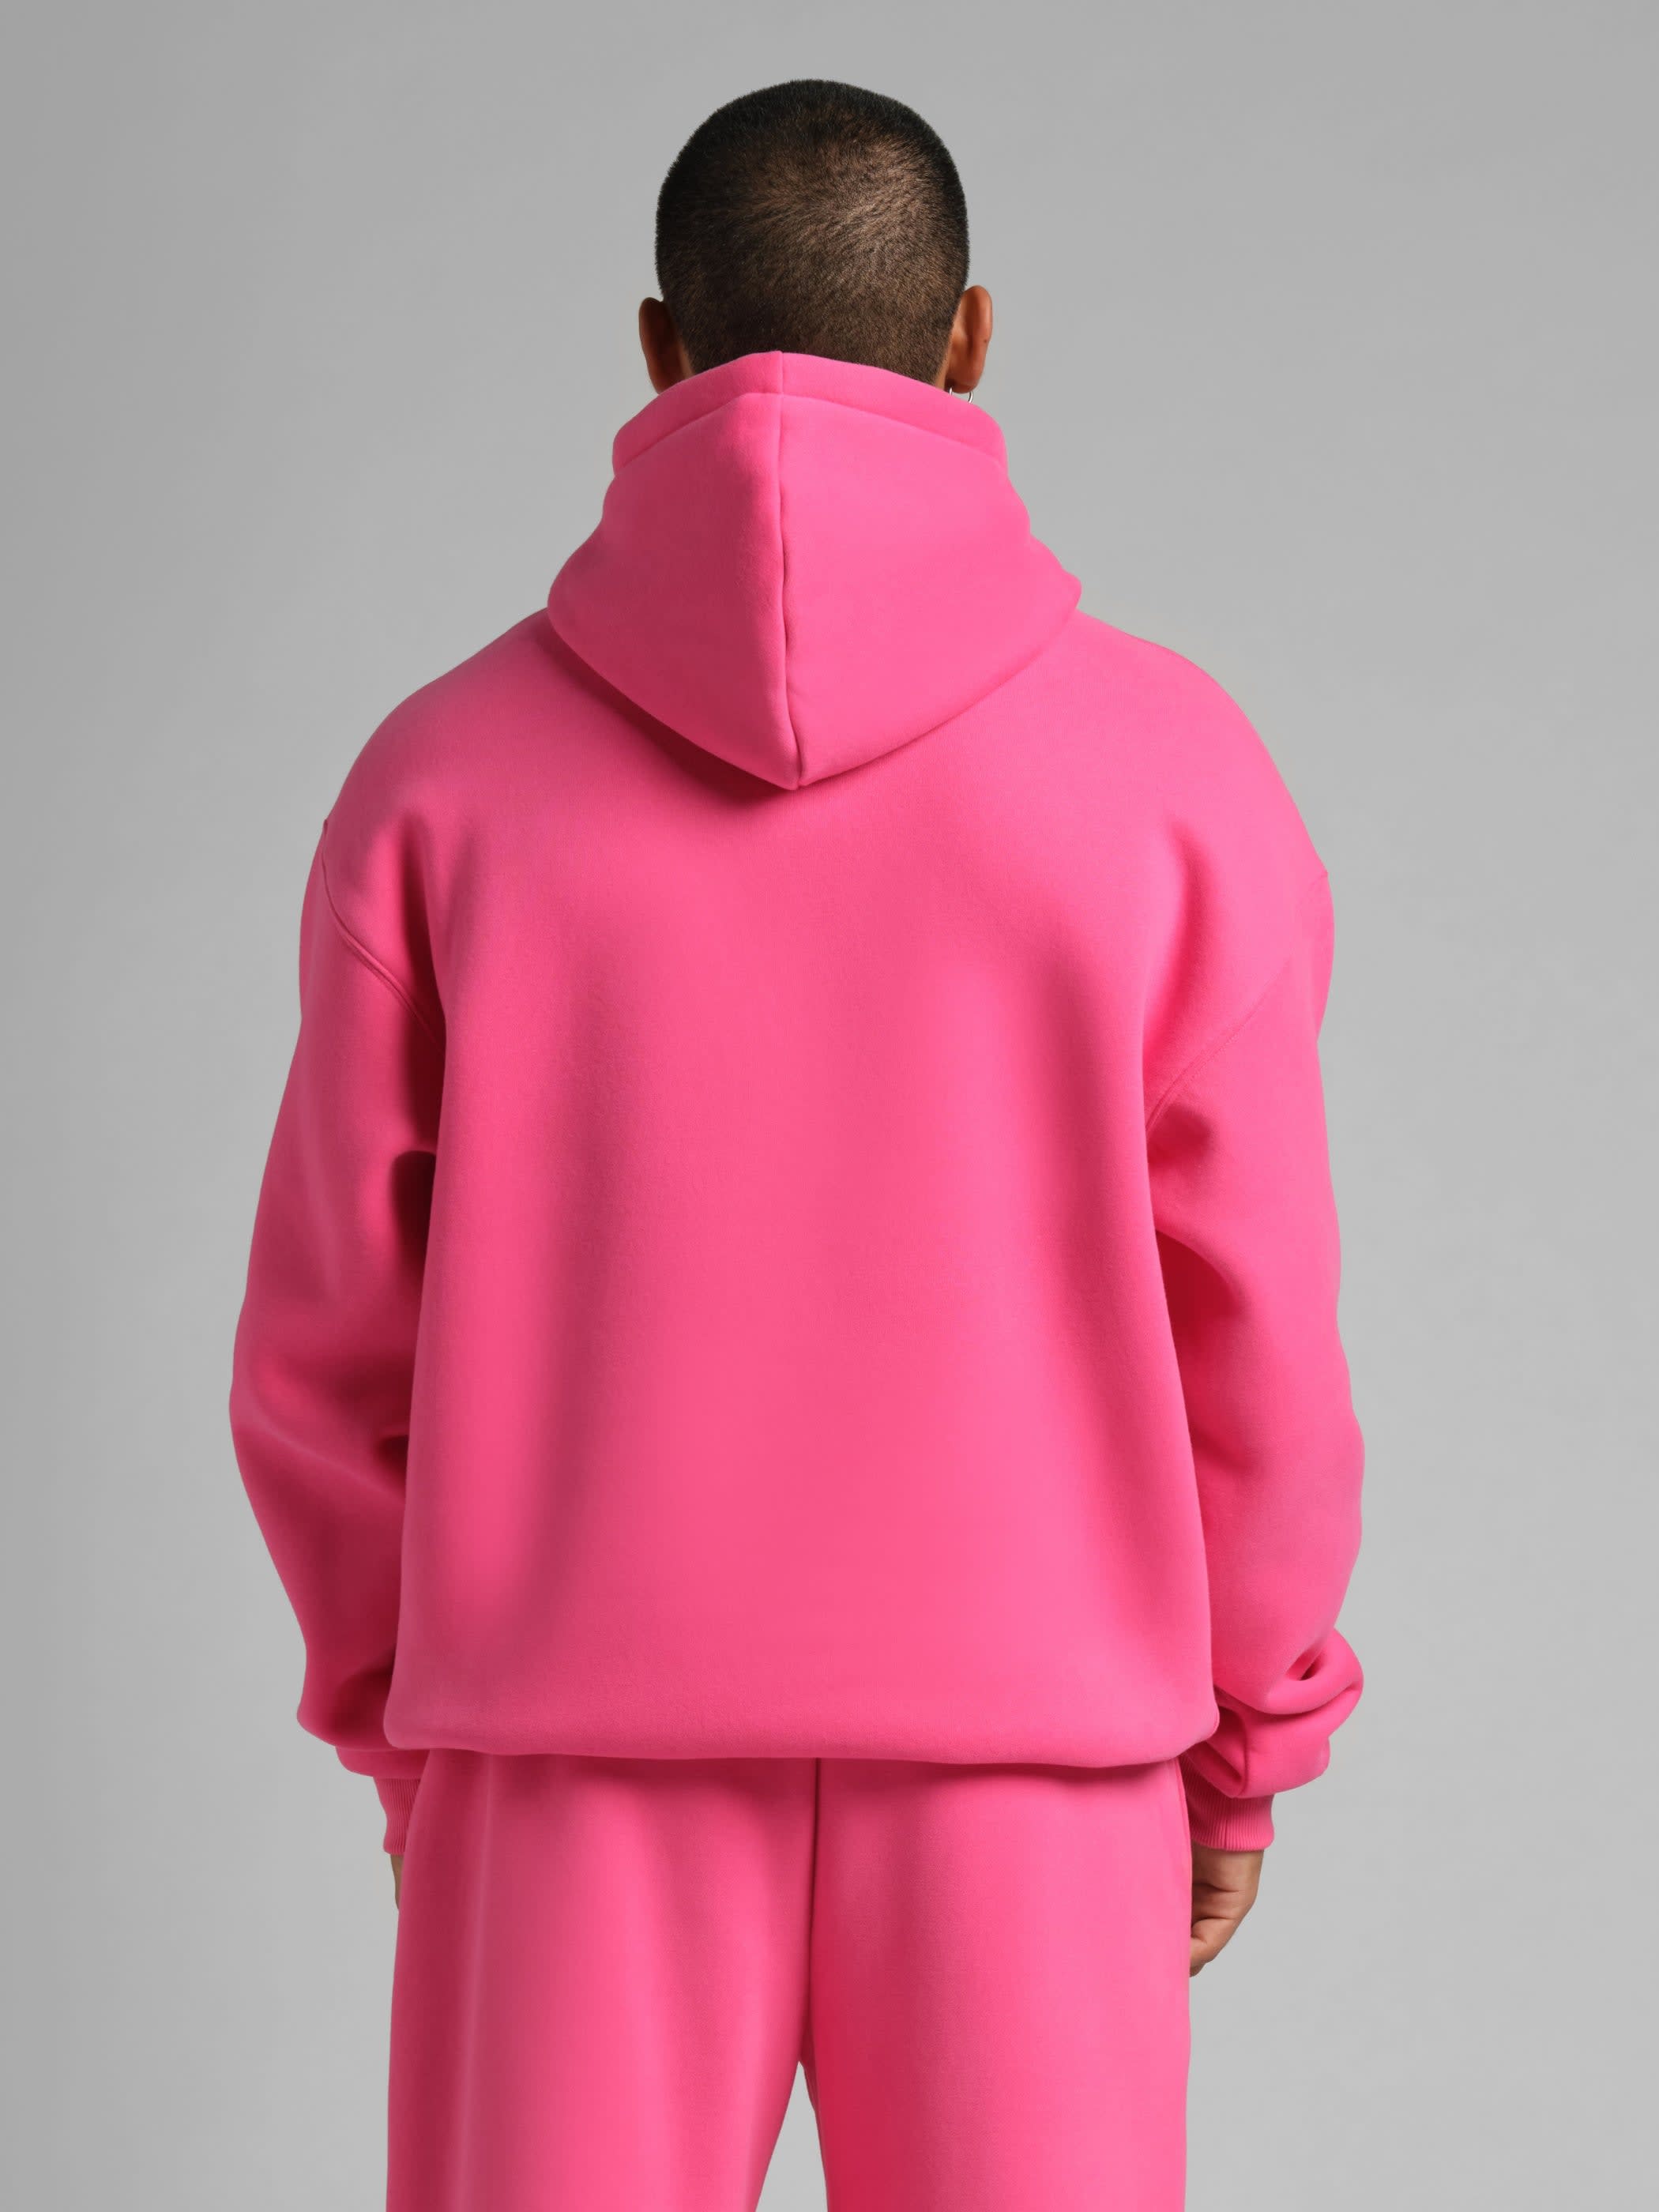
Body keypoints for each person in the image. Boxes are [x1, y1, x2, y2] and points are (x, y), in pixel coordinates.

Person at [231, 77, 1363, 2212]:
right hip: (1038, 1767)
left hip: (563, 1755)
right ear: (969, 338)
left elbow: (320, 1351)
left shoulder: (443, 780)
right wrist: (1247, 1740)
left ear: (661, 347)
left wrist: (410, 1728)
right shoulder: (1174, 775)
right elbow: (1262, 1340)